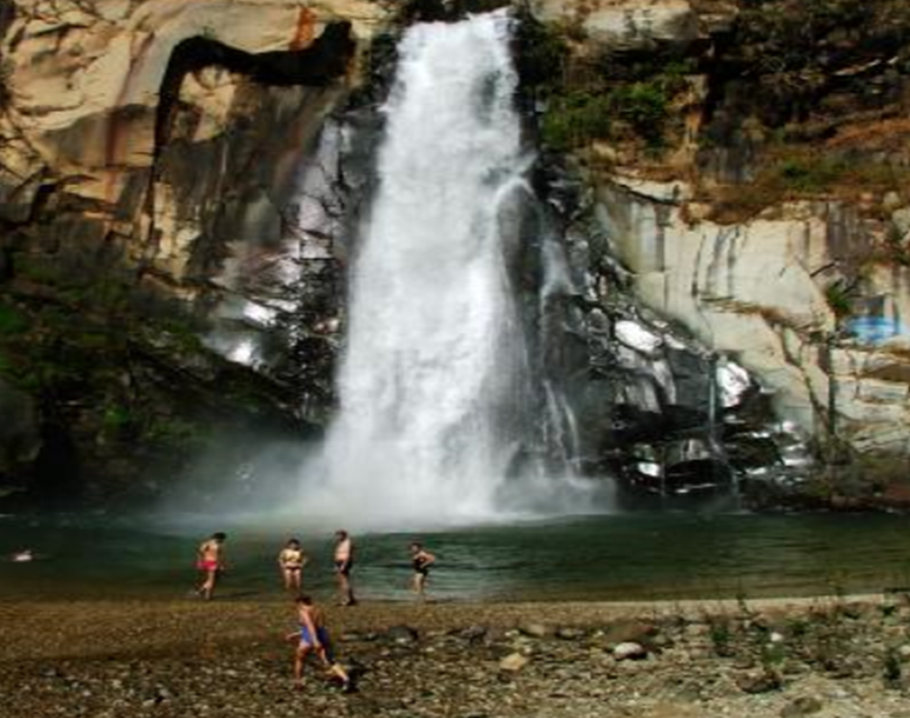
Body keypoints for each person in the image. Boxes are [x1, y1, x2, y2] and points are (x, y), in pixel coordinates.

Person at [286, 594, 351, 691]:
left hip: (310, 637)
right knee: (329, 661)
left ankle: (298, 682)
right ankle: (346, 679)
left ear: (300, 602)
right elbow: (317, 627)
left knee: (300, 659)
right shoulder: (318, 610)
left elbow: (310, 625)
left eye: (297, 604)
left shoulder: (303, 611)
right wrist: (295, 634)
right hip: (322, 635)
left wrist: (315, 640)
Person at [195, 532, 226, 600]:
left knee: (214, 580)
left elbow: (200, 553)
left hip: (209, 562)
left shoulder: (207, 543)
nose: (223, 541)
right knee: (212, 580)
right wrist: (221, 565)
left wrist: (199, 562)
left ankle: (200, 591)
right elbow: (217, 556)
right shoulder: (215, 545)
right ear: (219, 538)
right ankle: (208, 596)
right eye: (222, 539)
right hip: (213, 563)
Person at [333, 529, 356, 606]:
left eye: (339, 535)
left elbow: (348, 555)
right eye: (337, 535)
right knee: (343, 581)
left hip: (344, 562)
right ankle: (351, 598)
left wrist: (344, 565)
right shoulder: (340, 542)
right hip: (339, 562)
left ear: (344, 535)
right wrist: (336, 564)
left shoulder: (348, 543)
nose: (337, 537)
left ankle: (346, 600)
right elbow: (337, 553)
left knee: (344, 581)